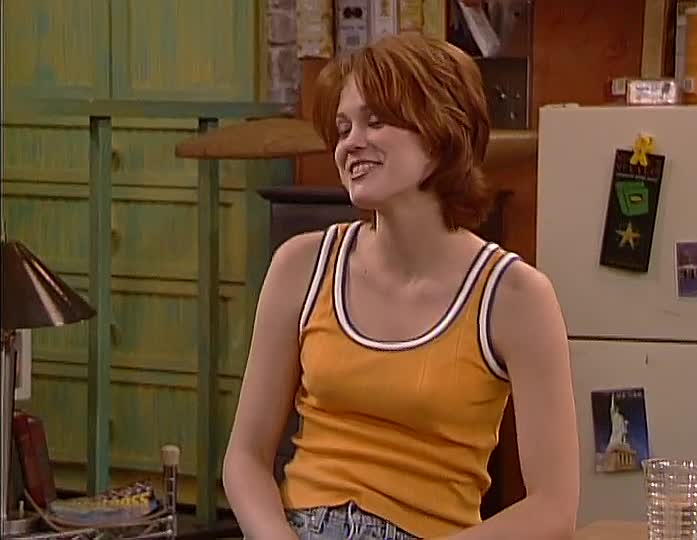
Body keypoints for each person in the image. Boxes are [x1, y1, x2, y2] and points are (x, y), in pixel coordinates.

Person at [223, 32, 579, 540]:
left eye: (376, 121)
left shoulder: (515, 297)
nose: (350, 143)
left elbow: (553, 509)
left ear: (440, 134)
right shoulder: (302, 266)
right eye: (343, 127)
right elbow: (244, 457)